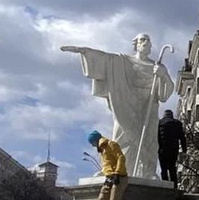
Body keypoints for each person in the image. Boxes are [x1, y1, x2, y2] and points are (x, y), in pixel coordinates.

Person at [62, 34, 175, 179]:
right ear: (135, 45)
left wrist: (163, 75)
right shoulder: (123, 61)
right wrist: (85, 52)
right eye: (142, 40)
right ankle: (115, 168)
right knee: (121, 137)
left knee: (149, 141)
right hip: (126, 106)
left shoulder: (157, 67)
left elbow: (165, 94)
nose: (146, 42)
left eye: (148, 40)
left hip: (148, 108)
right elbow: (105, 59)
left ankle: (148, 172)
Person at [88, 130, 138, 200]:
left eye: (92, 143)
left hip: (119, 177)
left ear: (95, 141)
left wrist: (117, 173)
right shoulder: (102, 149)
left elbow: (121, 157)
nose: (92, 145)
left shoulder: (110, 144)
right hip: (109, 178)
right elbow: (108, 164)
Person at [158, 110, 187, 188]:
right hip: (173, 150)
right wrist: (184, 151)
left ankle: (165, 186)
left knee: (163, 169)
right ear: (171, 115)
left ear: (164, 115)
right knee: (172, 168)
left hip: (162, 150)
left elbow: (156, 137)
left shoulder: (159, 123)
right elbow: (182, 138)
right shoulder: (178, 124)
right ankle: (174, 188)